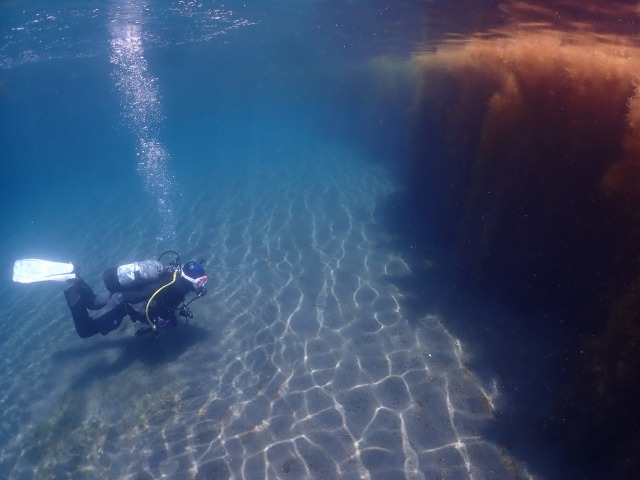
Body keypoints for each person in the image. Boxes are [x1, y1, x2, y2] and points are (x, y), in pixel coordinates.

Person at [63, 259, 208, 338]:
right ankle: (70, 291)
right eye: (200, 281)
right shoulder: (176, 291)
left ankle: (75, 279)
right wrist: (173, 321)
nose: (202, 285)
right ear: (192, 280)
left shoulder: (173, 273)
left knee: (92, 301)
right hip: (122, 303)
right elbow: (163, 319)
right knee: (85, 330)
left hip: (122, 291)